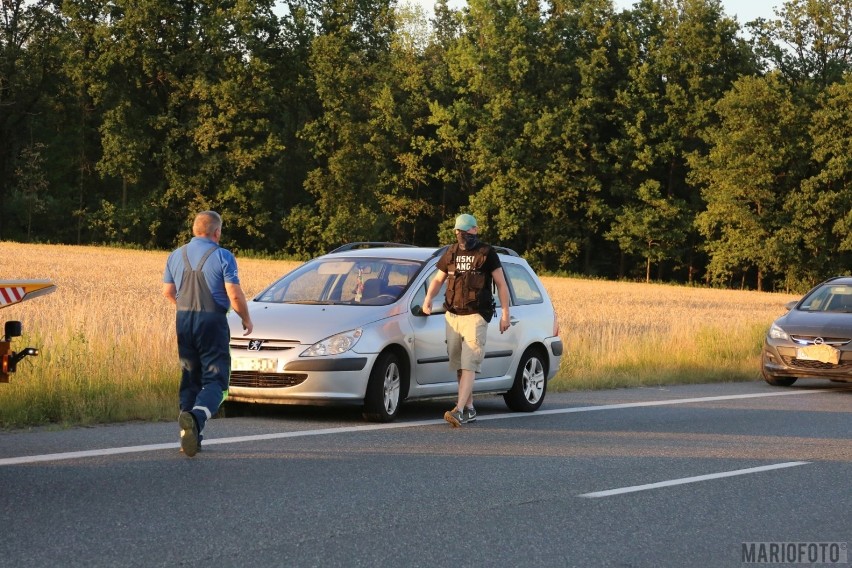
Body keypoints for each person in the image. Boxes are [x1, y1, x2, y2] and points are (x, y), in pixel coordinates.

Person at [162, 211, 253, 456]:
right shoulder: (223, 256)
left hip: (183, 320)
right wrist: (246, 318)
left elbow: (168, 292)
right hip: (212, 322)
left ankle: (190, 437)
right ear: (217, 232)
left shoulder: (175, 255)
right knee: (217, 381)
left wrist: (186, 308)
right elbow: (233, 293)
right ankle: (196, 417)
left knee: (190, 376)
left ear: (194, 230)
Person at [422, 213, 511, 427]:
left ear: (475, 230)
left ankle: (459, 410)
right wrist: (428, 298)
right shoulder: (450, 253)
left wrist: (506, 313)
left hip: (476, 315)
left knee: (470, 362)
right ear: (456, 232)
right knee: (460, 366)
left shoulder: (487, 253)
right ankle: (469, 408)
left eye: (469, 231)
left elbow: (501, 283)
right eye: (461, 231)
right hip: (453, 315)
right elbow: (438, 279)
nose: (465, 235)